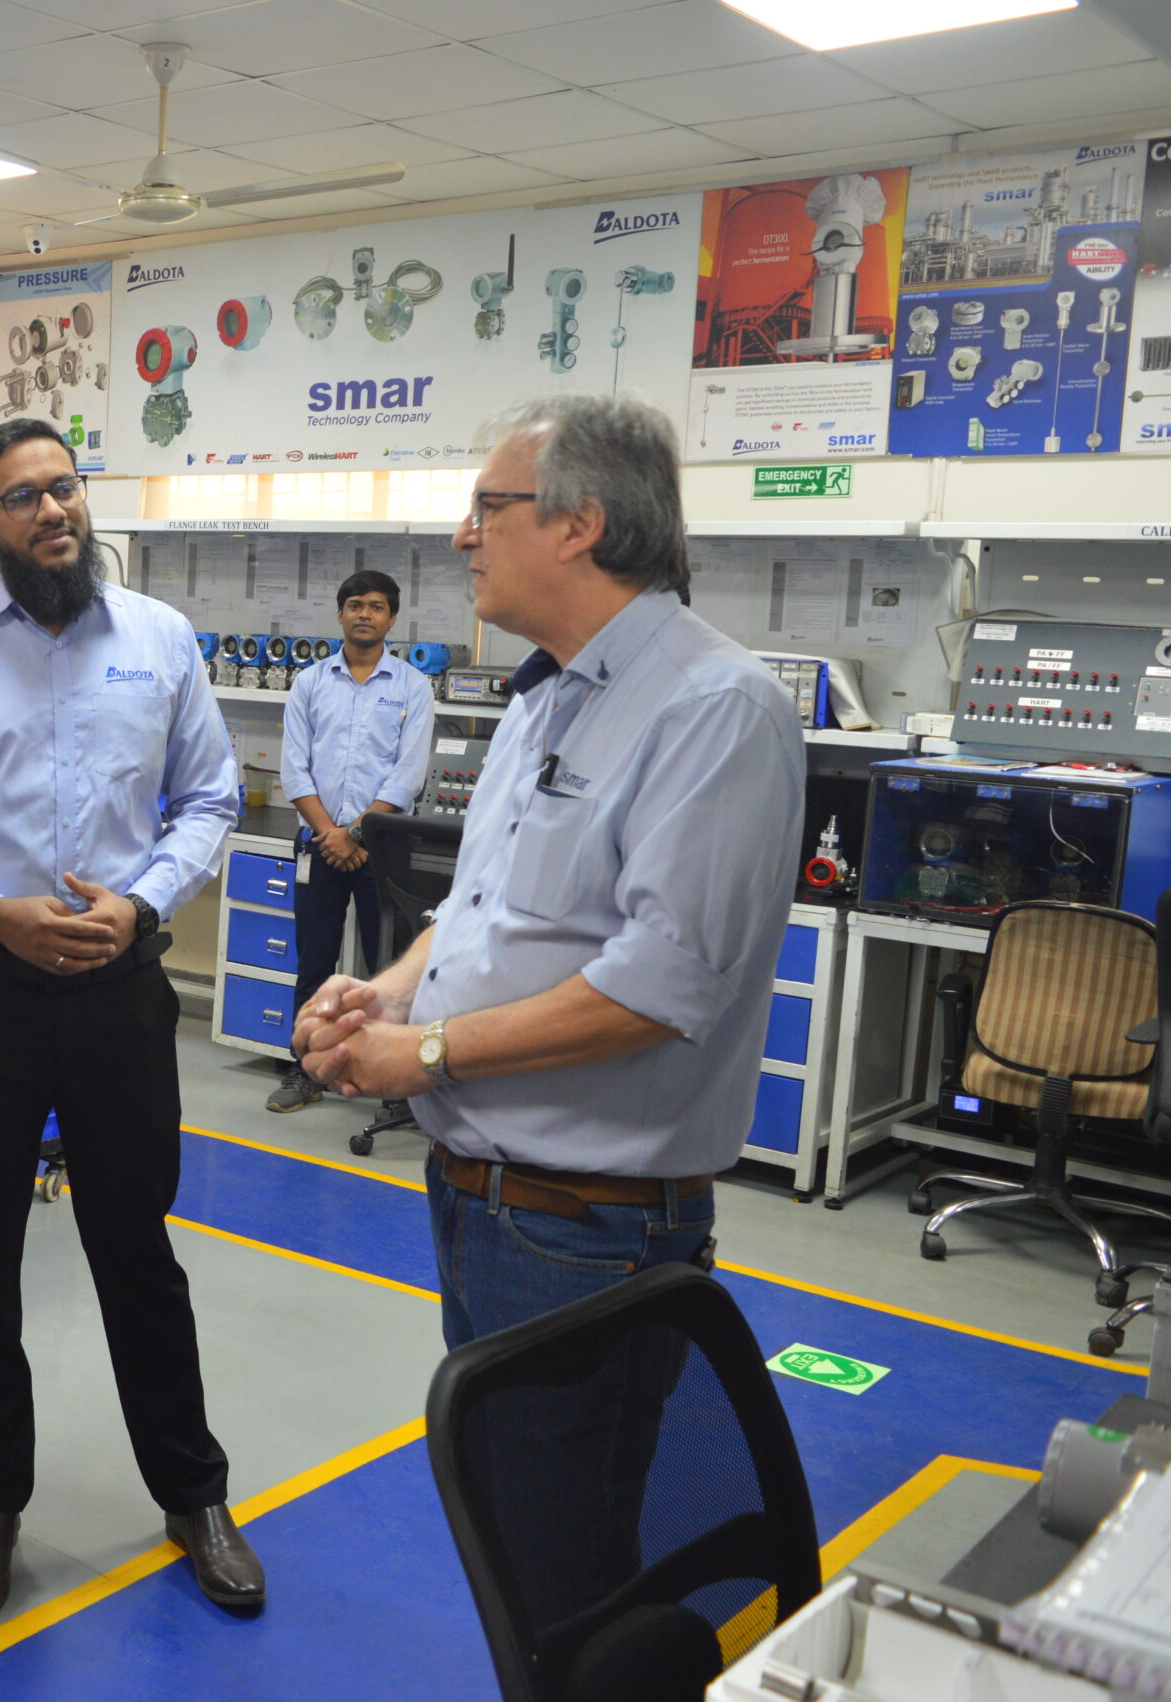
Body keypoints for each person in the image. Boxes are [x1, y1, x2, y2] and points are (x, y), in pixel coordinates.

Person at [293, 393, 804, 1620]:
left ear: (579, 524)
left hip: (587, 1230)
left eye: (488, 507)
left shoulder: (713, 707)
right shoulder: (543, 700)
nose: (462, 535)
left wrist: (424, 1051)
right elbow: (481, 910)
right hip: (483, 1203)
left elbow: (658, 986)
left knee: (567, 1572)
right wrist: (382, 992)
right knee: (519, 1544)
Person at [0, 417, 261, 1619]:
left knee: (136, 1248)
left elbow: (210, 797)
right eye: (24, 496)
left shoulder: (159, 639)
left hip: (117, 993)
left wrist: (141, 904)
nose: (53, 510)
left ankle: (192, 1493)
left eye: (65, 487)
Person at [266, 569, 435, 1114]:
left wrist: (358, 834)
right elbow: (295, 769)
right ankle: (305, 1070)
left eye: (377, 606)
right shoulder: (310, 682)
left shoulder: (413, 686)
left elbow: (408, 776)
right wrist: (331, 835)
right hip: (321, 845)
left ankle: (394, 1088)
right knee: (313, 963)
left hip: (383, 851)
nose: (365, 614)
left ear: (391, 618)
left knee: (388, 968)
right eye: (356, 604)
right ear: (341, 613)